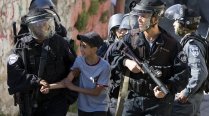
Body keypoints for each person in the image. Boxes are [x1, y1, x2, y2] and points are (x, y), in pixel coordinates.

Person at [105, 0, 190, 115]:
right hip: (133, 100)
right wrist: (126, 62)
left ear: (155, 18)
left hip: (159, 104)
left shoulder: (172, 45)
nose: (139, 19)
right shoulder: (130, 38)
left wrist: (167, 87)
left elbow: (183, 73)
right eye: (138, 15)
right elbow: (111, 55)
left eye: (143, 16)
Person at [7, 8, 77, 116]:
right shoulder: (22, 45)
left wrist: (68, 98)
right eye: (38, 25)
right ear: (31, 28)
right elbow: (14, 73)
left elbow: (75, 67)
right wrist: (36, 81)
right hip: (30, 102)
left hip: (56, 101)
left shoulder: (60, 43)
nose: (42, 27)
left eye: (45, 23)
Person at [42, 32, 111, 116]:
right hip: (83, 107)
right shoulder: (79, 61)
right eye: (80, 45)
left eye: (84, 46)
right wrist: (48, 86)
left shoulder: (105, 66)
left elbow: (96, 92)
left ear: (95, 49)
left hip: (100, 107)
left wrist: (73, 87)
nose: (81, 49)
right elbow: (66, 82)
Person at [164, 4, 208, 116]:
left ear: (184, 23)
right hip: (190, 100)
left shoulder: (191, 45)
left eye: (176, 21)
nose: (174, 24)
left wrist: (186, 92)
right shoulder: (193, 41)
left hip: (187, 101)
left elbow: (200, 72)